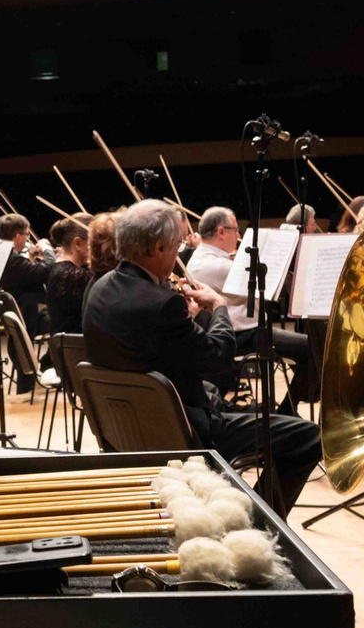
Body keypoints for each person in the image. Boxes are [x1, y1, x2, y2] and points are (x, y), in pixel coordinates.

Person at [84, 201, 323, 505]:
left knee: (242, 408)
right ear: (157, 248)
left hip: (127, 426)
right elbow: (218, 357)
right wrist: (218, 306)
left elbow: (172, 350)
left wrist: (195, 318)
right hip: (182, 428)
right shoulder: (161, 303)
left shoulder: (99, 288)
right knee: (307, 436)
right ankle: (261, 520)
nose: (176, 253)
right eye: (174, 246)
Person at [185, 206, 311, 399]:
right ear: (221, 232)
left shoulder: (201, 256)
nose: (238, 235)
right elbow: (270, 283)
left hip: (240, 332)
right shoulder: (218, 265)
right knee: (313, 350)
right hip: (242, 336)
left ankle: (289, 410)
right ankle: (288, 410)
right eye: (235, 230)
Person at [0, 213, 53, 347]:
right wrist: (47, 249)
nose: (28, 238)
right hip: (30, 316)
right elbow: (45, 270)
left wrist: (33, 256)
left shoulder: (4, 254)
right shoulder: (15, 260)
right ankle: (49, 361)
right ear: (18, 237)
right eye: (27, 234)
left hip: (21, 312)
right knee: (65, 321)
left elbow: (28, 273)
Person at [44, 217, 94, 337]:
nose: (96, 247)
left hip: (63, 349)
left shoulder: (62, 267)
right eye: (93, 242)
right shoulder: (74, 276)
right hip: (73, 353)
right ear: (77, 244)